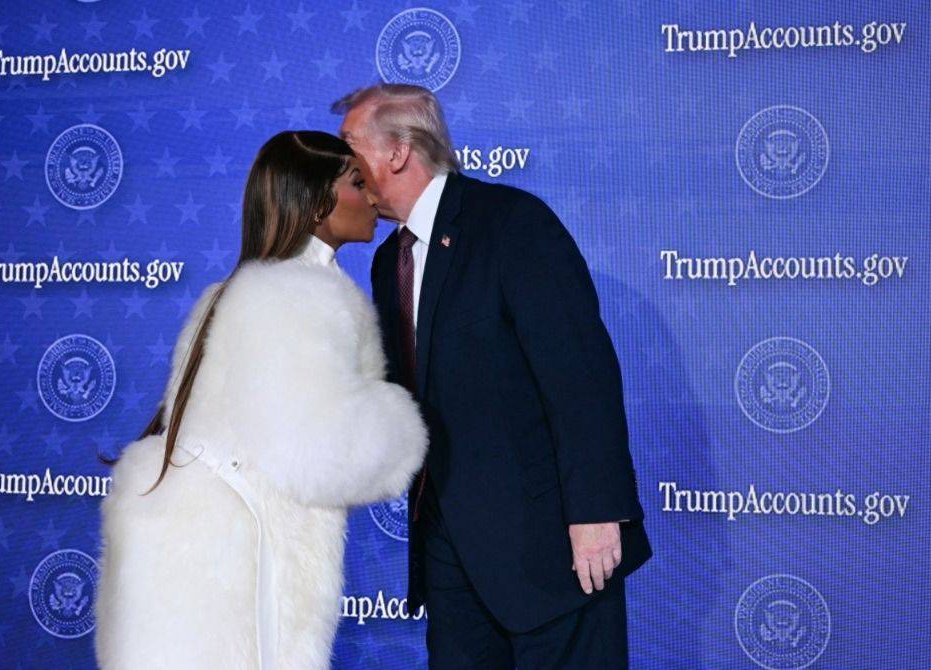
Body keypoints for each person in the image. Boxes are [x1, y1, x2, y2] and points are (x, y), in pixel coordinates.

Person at [332, 84, 652, 669]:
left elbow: (580, 375)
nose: (341, 163)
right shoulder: (387, 261)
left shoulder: (510, 224)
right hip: (450, 558)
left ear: (399, 152)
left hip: (553, 550)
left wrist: (595, 513)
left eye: (349, 145)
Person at [93, 130, 428, 670]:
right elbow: (324, 458)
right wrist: (406, 423)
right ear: (318, 201)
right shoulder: (303, 297)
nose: (372, 198)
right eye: (357, 182)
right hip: (232, 567)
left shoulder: (233, 291)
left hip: (190, 553)